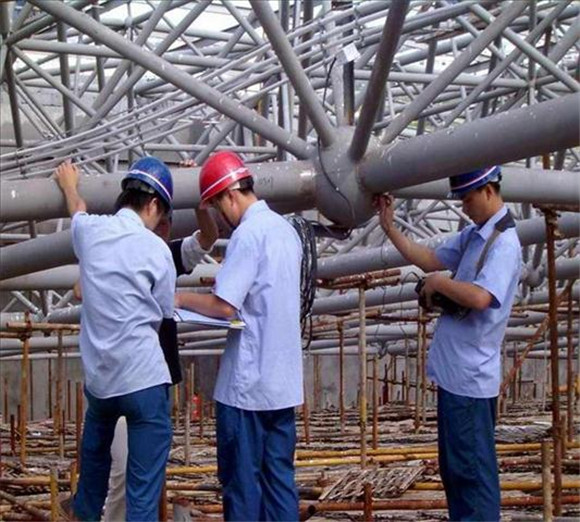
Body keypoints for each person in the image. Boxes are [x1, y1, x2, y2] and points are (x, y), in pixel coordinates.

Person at [376, 165, 521, 521]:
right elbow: (431, 258)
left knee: (471, 475)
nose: (464, 207)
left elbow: (481, 297)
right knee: (456, 472)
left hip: (471, 380)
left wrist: (439, 284)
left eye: (467, 199)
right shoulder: (475, 237)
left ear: (489, 190)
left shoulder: (504, 243)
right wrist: (390, 228)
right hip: (456, 377)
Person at [176, 151, 303, 521]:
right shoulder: (286, 231)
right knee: (279, 481)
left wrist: (179, 298)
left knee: (242, 483)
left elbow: (224, 306)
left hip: (248, 387)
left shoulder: (249, 234)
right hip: (282, 385)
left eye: (217, 207)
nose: (221, 217)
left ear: (230, 196)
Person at [55, 157, 176, 521]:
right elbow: (165, 310)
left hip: (102, 384)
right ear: (153, 204)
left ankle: (85, 512)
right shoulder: (157, 250)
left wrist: (68, 183)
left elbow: (77, 208)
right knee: (142, 497)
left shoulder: (89, 231)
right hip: (144, 380)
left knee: (91, 483)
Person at [103, 203, 218, 522]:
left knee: (144, 475)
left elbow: (208, 237)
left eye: (168, 222)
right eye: (160, 221)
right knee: (124, 475)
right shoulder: (118, 257)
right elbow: (81, 288)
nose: (164, 227)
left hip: (154, 383)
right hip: (120, 381)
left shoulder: (166, 255)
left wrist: (199, 203)